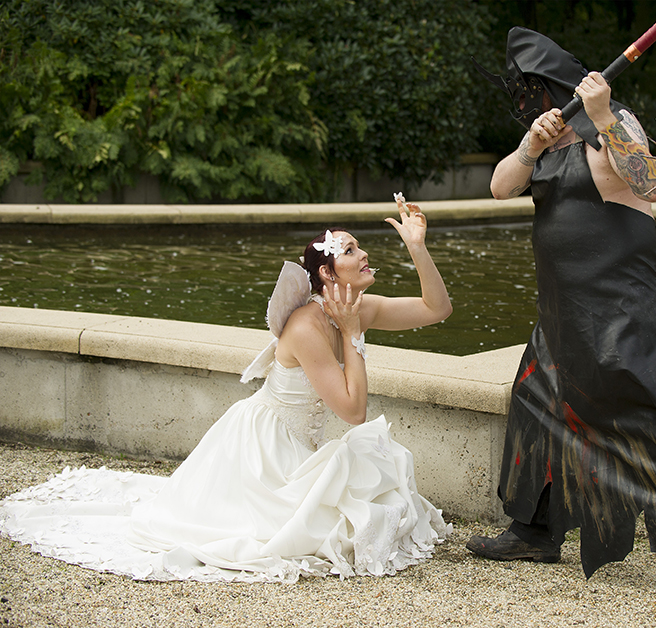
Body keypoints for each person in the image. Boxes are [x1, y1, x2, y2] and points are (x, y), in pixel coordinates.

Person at [0, 195, 453, 582]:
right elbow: (354, 412)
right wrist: (352, 334)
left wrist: (417, 247)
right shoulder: (307, 327)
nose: (364, 253)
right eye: (351, 250)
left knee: (363, 495)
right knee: (295, 530)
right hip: (263, 450)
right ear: (329, 274)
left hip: (302, 447)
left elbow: (437, 309)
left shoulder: (356, 307)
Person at [467, 28, 656, 617]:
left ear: (551, 84)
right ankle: (535, 530)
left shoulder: (615, 122)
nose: (525, 103)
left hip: (620, 309)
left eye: (531, 91)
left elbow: (652, 184)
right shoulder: (547, 136)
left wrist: (604, 116)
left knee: (641, 424)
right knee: (537, 400)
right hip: (562, 309)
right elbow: (500, 186)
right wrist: (531, 145)